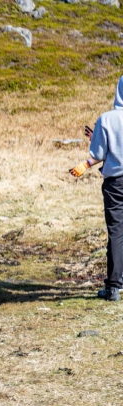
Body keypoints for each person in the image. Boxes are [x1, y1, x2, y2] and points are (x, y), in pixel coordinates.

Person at [70, 74, 123, 302]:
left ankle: (113, 288)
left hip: (116, 185)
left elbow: (100, 154)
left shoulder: (107, 119)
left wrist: (85, 164)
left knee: (117, 233)